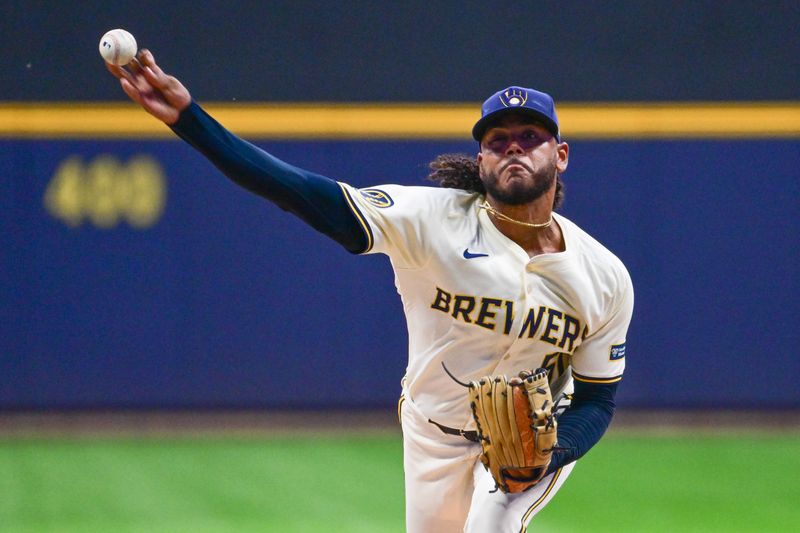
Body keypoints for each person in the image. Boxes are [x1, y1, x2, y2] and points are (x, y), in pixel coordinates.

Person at [106, 50, 634, 532]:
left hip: (535, 439)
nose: (513, 147)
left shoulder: (604, 276)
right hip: (435, 432)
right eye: (497, 141)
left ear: (560, 155)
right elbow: (302, 194)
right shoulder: (431, 221)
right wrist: (190, 121)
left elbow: (596, 398)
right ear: (480, 162)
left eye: (530, 137)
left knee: (492, 524)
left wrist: (553, 451)